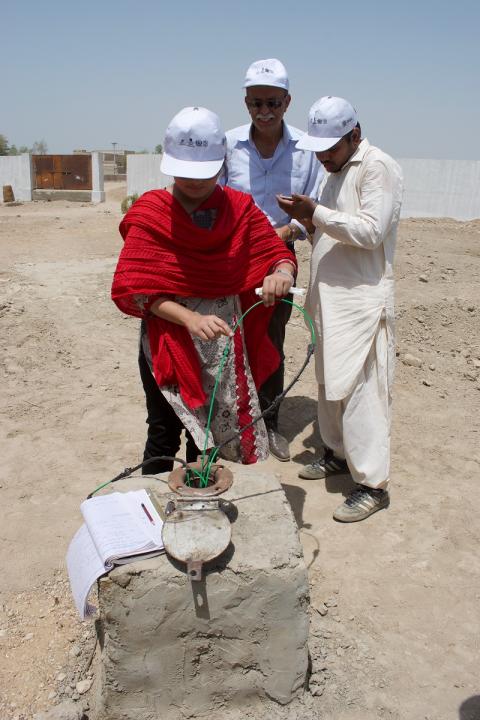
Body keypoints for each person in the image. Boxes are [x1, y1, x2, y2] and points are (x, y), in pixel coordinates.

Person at [112, 106, 297, 473]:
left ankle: (202, 509)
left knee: (210, 437)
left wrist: (283, 272)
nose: (194, 182)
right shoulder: (152, 212)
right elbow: (137, 289)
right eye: (185, 173)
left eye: (205, 173)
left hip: (223, 344)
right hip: (168, 339)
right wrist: (189, 318)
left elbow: (276, 253)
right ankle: (161, 515)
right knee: (164, 432)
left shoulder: (239, 209)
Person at [277, 96, 403, 522]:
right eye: (318, 149)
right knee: (329, 383)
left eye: (330, 148)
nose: (322, 157)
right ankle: (336, 453)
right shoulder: (336, 170)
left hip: (361, 302)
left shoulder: (376, 167)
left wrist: (317, 212)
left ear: (355, 135)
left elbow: (370, 231)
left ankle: (372, 484)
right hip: (330, 301)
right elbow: (329, 229)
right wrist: (305, 222)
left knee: (363, 390)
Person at [222, 58, 323, 462]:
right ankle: (230, 421)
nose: (264, 112)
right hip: (231, 255)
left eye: (273, 103)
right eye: (256, 103)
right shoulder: (228, 144)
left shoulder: (306, 151)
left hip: (280, 252)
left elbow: (314, 207)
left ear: (287, 102)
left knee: (270, 338)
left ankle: (269, 422)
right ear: (245, 101)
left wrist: (286, 233)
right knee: (229, 335)